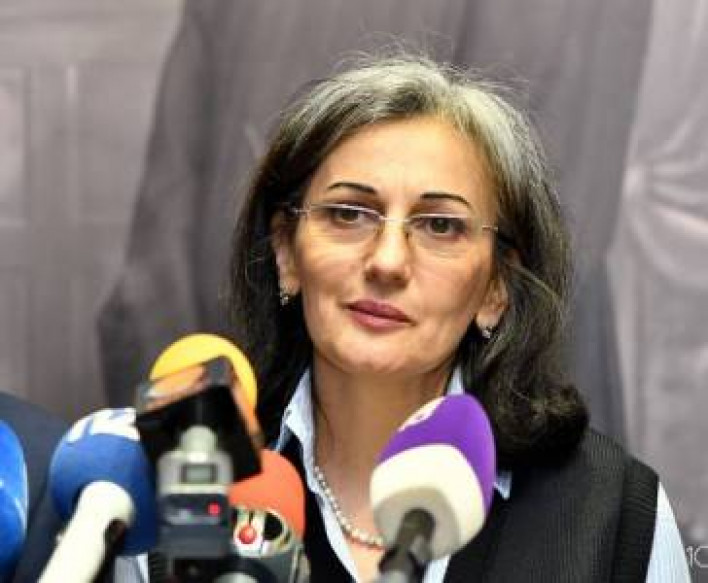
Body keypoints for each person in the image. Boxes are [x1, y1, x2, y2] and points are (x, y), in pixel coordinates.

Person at [227, 54, 690, 582]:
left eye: (441, 226)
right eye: (349, 213)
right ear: (287, 253)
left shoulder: (612, 513)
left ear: (496, 287)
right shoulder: (187, 491)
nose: (387, 262)